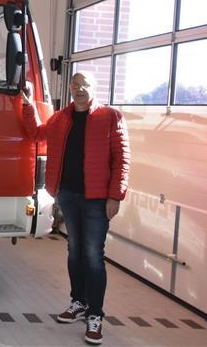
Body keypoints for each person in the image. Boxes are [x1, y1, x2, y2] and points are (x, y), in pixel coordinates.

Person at [21, 72, 130, 345]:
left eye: (84, 85)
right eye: (75, 84)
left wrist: (115, 196)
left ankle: (96, 315)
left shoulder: (111, 117)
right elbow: (37, 133)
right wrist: (28, 105)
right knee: (74, 252)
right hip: (68, 195)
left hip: (97, 199)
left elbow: (122, 159)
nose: (79, 89)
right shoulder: (61, 118)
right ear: (69, 88)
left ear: (93, 88)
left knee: (93, 256)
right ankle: (78, 302)